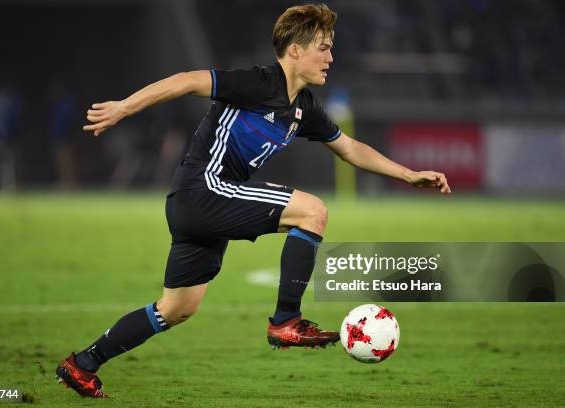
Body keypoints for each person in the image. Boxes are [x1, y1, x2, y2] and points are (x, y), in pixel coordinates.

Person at [56, 4, 451, 398]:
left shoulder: (303, 108)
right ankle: (286, 320)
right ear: (295, 51)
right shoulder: (259, 83)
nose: (331, 57)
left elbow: (349, 147)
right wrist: (125, 107)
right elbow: (186, 79)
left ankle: (83, 364)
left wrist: (407, 174)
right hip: (203, 189)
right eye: (323, 47)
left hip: (199, 203)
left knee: (176, 308)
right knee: (312, 211)